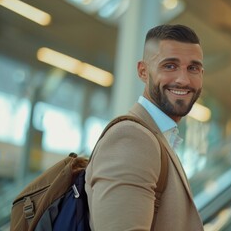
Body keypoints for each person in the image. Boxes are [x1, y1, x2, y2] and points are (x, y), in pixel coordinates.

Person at [84, 24, 205, 230]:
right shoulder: (131, 139)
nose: (183, 79)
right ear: (143, 71)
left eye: (193, 68)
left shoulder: (158, 138)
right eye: (170, 66)